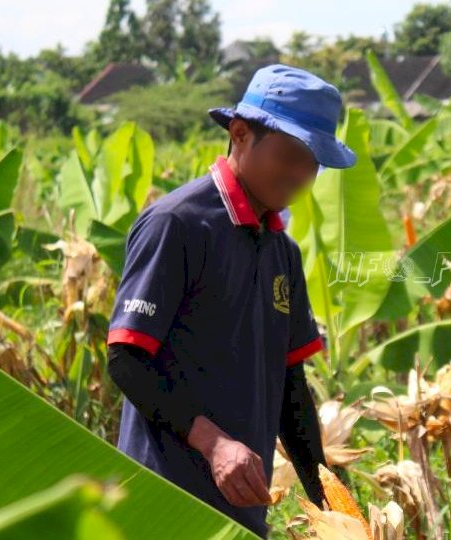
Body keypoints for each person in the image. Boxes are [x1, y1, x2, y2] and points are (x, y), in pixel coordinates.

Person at [105, 65, 356, 537]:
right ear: (240, 134)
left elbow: (290, 389)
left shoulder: (282, 249)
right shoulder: (178, 224)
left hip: (239, 510)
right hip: (165, 500)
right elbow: (126, 358)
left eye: (313, 162)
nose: (302, 175)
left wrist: (331, 503)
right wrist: (214, 442)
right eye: (291, 155)